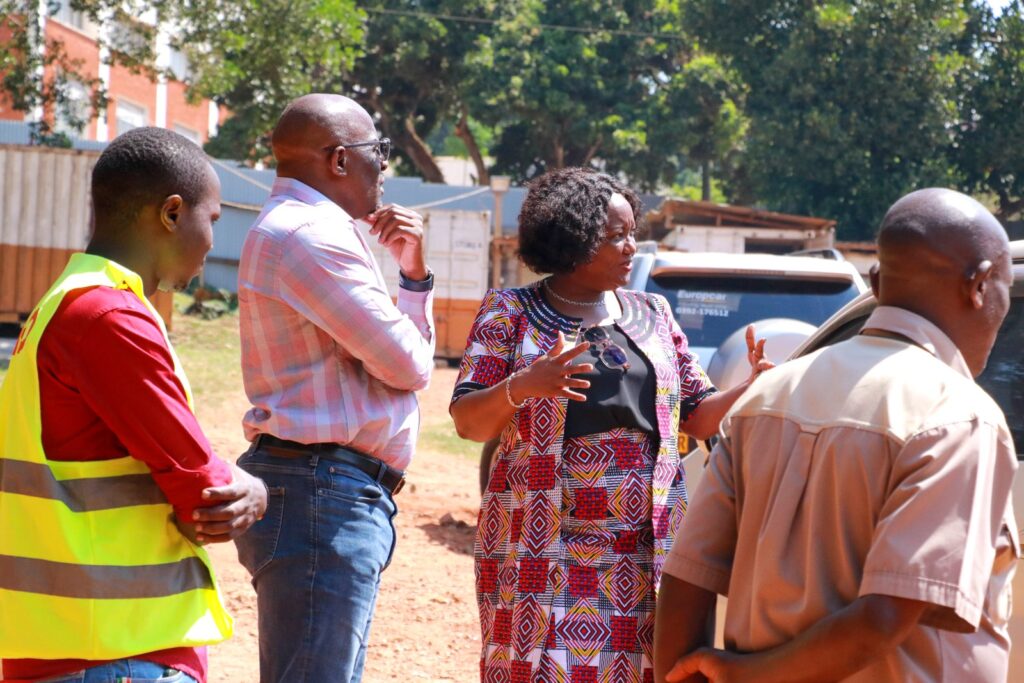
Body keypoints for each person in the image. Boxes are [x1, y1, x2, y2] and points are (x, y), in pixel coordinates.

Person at [653, 188, 1019, 683]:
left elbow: (685, 576)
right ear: (978, 286)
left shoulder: (767, 396)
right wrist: (745, 677)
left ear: (874, 279)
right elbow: (883, 620)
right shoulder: (958, 415)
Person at [449, 167, 772, 682]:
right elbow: (468, 423)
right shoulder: (511, 312)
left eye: (632, 232)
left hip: (644, 554)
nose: (631, 247)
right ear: (571, 237)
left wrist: (753, 384)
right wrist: (527, 383)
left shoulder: (653, 313)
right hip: (542, 549)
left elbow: (699, 412)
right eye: (615, 236)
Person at [0, 127, 267, 683]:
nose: (213, 242)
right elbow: (204, 503)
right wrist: (255, 488)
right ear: (172, 213)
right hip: (119, 652)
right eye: (212, 220)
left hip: (68, 643)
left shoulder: (60, 304)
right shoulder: (109, 317)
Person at [234, 93, 435, 683]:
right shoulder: (308, 235)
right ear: (340, 159)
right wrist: (414, 291)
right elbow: (408, 365)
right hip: (321, 496)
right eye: (381, 152)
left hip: (325, 494)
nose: (385, 167)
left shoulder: (309, 230)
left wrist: (413, 275)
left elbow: (395, 360)